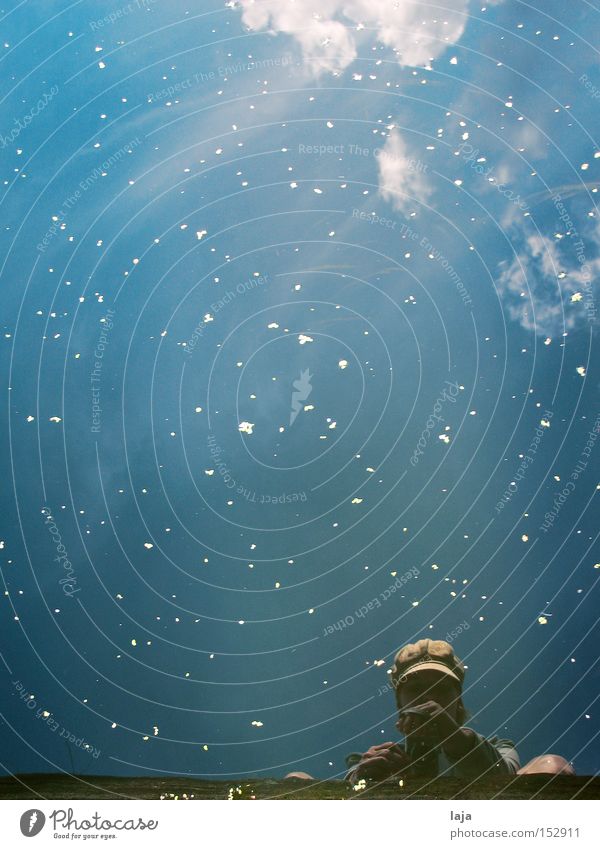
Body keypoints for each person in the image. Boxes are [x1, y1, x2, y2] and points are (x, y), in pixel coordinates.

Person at [344, 638, 575, 783]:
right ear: (400, 705)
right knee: (304, 780)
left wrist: (455, 739)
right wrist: (364, 777)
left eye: (440, 689)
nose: (428, 697)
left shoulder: (499, 747)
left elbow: (502, 778)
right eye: (416, 689)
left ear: (458, 702)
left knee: (551, 764)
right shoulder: (377, 758)